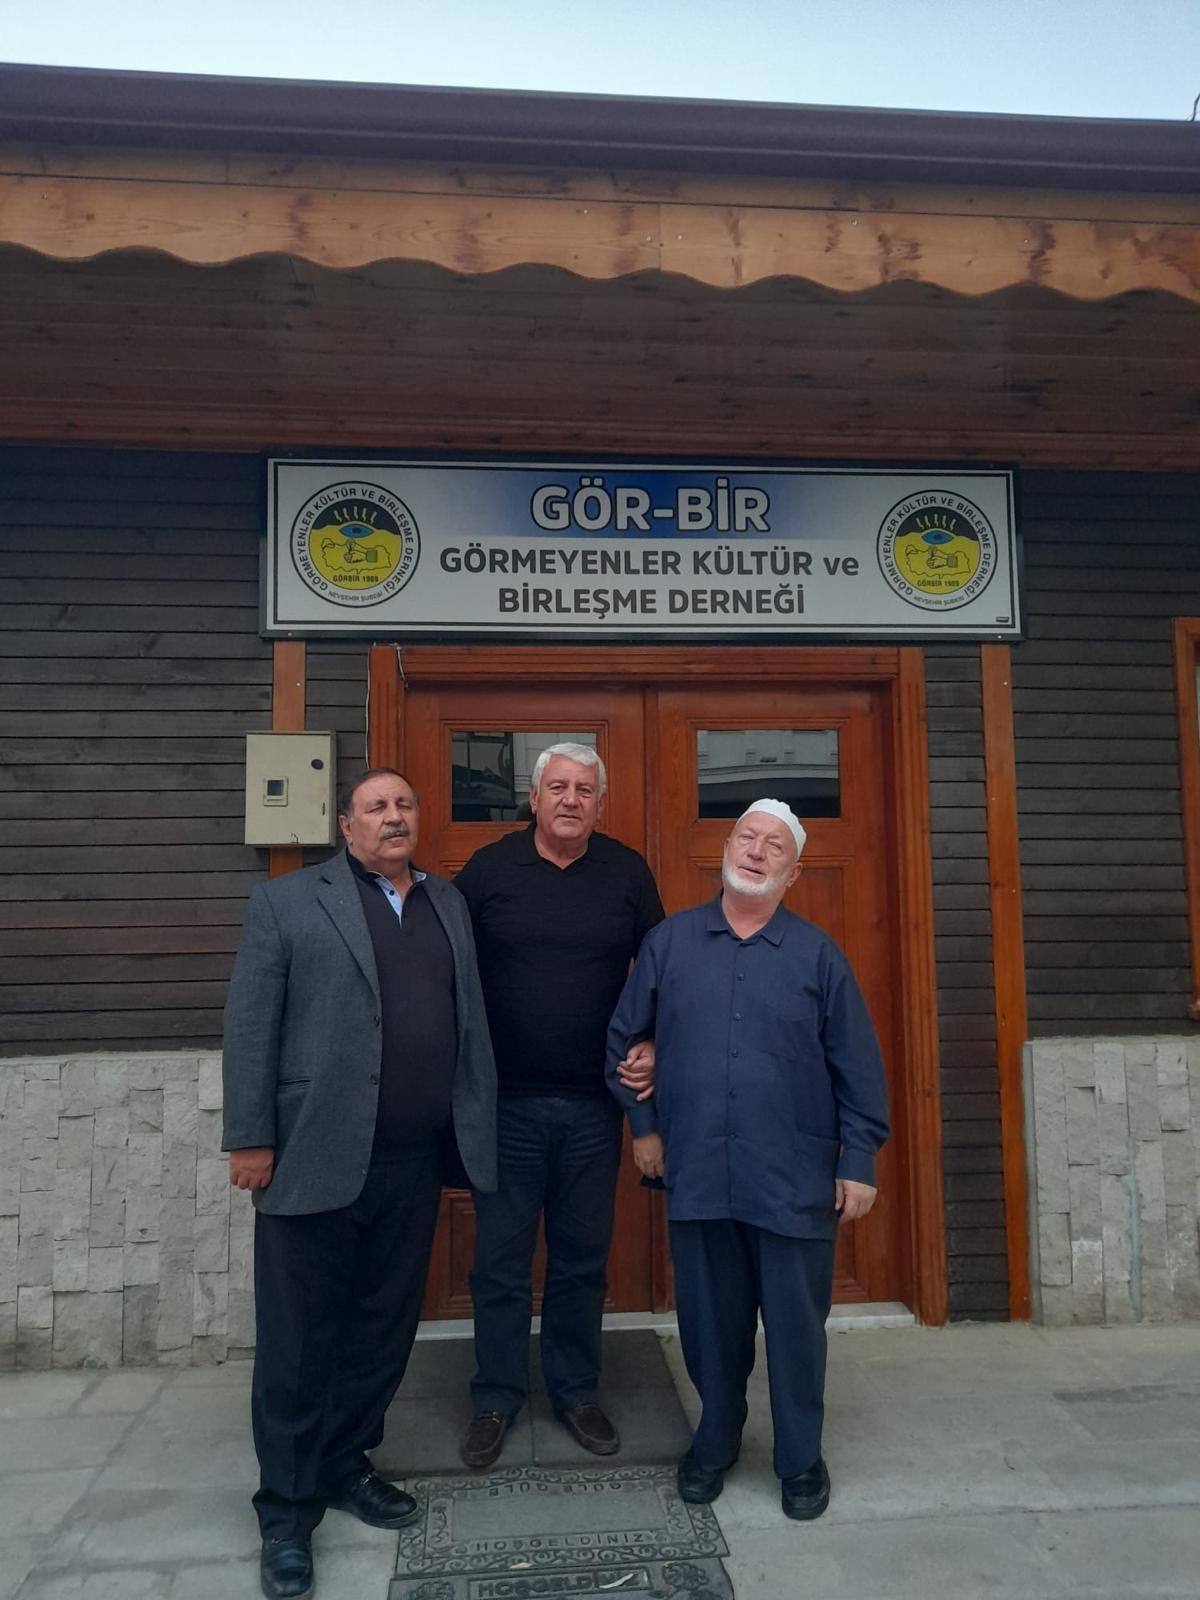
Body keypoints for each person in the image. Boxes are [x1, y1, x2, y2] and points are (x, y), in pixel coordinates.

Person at [222, 768, 496, 1600]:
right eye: (376, 807)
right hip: (312, 1157)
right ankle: (286, 1510)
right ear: (346, 825)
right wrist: (251, 1136)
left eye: (404, 805)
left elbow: (469, 1019)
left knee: (382, 1330)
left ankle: (345, 1463)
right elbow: (251, 1023)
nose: (393, 817)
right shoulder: (287, 903)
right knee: (299, 1342)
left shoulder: (448, 903)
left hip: (413, 1161)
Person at [605, 799, 889, 1522]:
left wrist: (859, 1160)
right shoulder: (670, 944)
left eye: (774, 847)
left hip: (793, 1179)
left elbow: (858, 1069)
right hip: (698, 1172)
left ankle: (800, 1459)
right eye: (747, 838)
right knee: (709, 1326)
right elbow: (623, 1043)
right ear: (726, 849)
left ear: (792, 873)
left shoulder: (818, 956)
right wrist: (644, 1128)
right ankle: (716, 1439)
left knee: (796, 1331)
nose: (756, 852)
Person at [455, 742, 664, 1469]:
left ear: (600, 803)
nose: (571, 800)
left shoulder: (627, 873)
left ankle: (576, 1391)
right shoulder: (489, 871)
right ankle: (495, 1397)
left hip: (592, 1109)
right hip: (505, 1106)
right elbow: (444, 967)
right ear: (535, 798)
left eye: (584, 790)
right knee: (500, 1263)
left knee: (580, 1260)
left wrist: (654, 1040)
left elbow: (663, 971)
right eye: (558, 788)